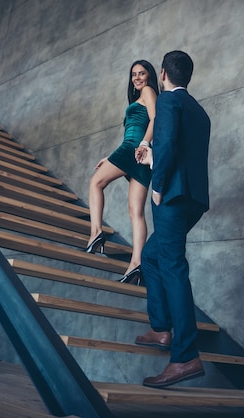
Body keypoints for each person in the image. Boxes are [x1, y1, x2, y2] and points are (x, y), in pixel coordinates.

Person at [133, 50, 211, 388]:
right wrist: (154, 157)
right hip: (193, 199)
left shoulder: (166, 102)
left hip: (172, 197)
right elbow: (176, 149)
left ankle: (185, 357)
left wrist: (158, 187)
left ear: (163, 74)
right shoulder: (199, 110)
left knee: (173, 266)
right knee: (151, 257)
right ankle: (161, 328)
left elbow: (165, 144)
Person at [85, 60, 159, 285]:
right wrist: (111, 157)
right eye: (134, 74)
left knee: (96, 183)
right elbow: (131, 131)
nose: (137, 78)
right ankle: (136, 263)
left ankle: (96, 232)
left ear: (149, 76)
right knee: (135, 211)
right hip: (134, 152)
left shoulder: (148, 91)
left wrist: (144, 143)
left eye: (142, 73)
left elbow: (156, 118)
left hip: (135, 150)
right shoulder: (138, 97)